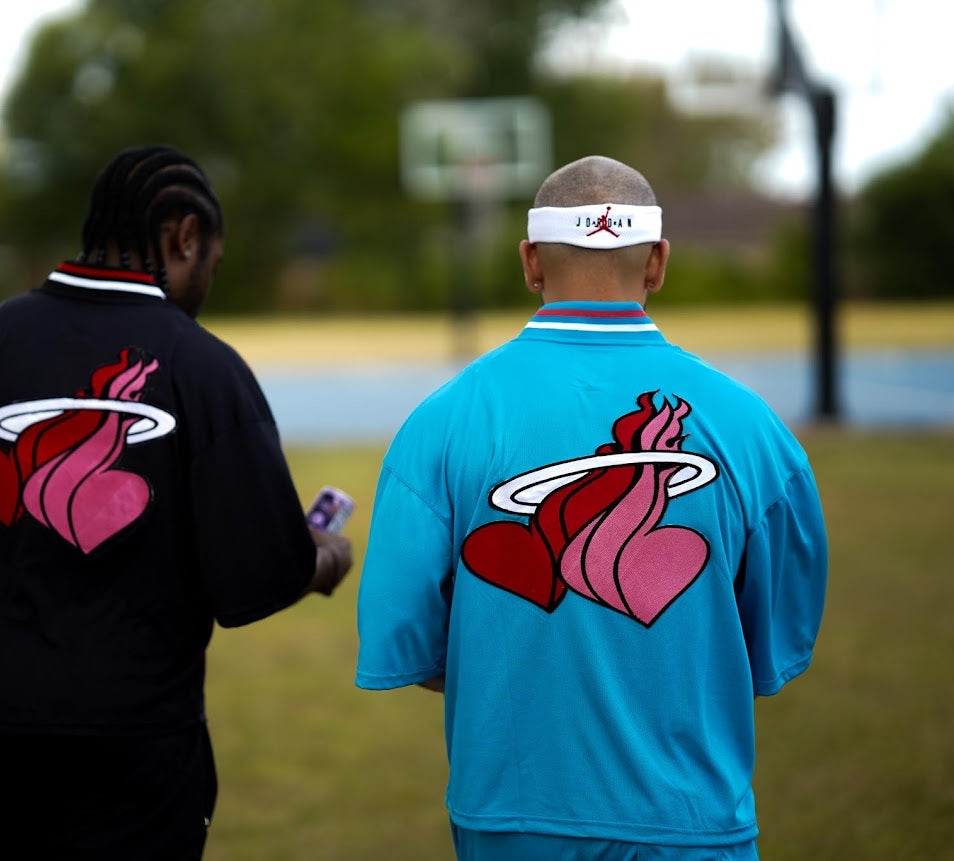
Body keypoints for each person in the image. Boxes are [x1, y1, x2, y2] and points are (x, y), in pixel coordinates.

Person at [0, 144, 353, 860]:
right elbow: (257, 582)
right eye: (211, 258)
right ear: (184, 237)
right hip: (136, 750)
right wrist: (324, 554)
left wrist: (14, 511)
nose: (209, 277)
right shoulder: (205, 370)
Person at [354, 155, 827, 861]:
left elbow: (410, 638)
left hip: (511, 821)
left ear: (530, 262)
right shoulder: (755, 430)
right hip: (693, 822)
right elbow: (770, 645)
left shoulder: (441, 423)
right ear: (659, 261)